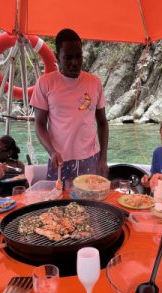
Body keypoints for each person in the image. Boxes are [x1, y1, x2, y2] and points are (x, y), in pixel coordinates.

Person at [30, 28, 109, 183]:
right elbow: (39, 124)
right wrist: (51, 151)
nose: (75, 62)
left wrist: (103, 158)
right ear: (57, 56)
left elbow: (102, 122)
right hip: (58, 159)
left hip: (90, 158)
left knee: (89, 205)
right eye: (68, 57)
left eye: (78, 56)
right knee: (58, 205)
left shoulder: (94, 83)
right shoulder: (45, 83)